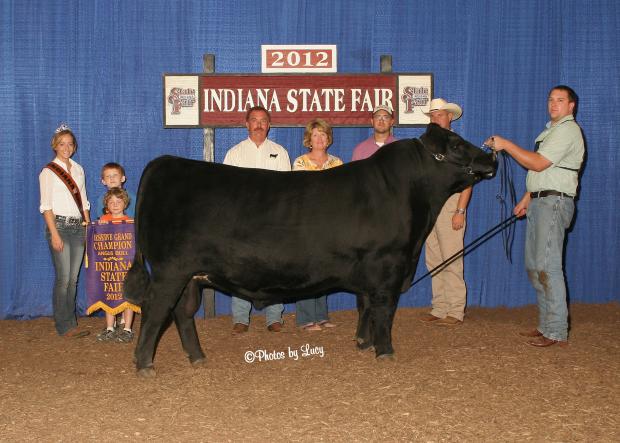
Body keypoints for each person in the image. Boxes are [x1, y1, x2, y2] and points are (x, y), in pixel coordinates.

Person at [485, 85, 584, 347]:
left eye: (560, 100)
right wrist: (527, 199)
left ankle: (556, 330)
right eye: (550, 99)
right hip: (541, 201)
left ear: (571, 106)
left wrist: (506, 144)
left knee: (547, 266)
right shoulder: (549, 132)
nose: (553, 104)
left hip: (554, 203)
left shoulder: (568, 130)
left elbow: (538, 163)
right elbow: (543, 172)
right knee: (534, 266)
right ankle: (546, 324)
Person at [223, 105, 291, 334]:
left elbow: (286, 190)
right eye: (254, 120)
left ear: (269, 125)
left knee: (275, 266)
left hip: (272, 220)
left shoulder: (280, 152)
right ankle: (241, 318)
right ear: (247, 124)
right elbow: (228, 191)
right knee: (241, 267)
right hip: (243, 220)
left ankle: (274, 316)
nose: (259, 124)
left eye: (263, 120)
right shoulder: (235, 153)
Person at [419, 98, 472, 326]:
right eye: (432, 116)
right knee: (433, 259)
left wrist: (460, 209)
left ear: (450, 117)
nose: (435, 119)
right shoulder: (426, 146)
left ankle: (456, 310)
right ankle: (440, 306)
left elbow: (468, 180)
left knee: (451, 258)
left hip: (451, 205)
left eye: (439, 115)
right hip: (430, 206)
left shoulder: (458, 145)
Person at [39, 123, 91, 338]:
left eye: (70, 144)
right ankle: (64, 326)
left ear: (74, 146)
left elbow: (84, 201)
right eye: (62, 144)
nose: (66, 147)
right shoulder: (48, 172)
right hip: (59, 225)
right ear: (55, 146)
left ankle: (71, 323)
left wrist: (87, 226)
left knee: (73, 279)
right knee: (63, 279)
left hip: (78, 226)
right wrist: (54, 234)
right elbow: (46, 206)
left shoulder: (78, 169)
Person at [292, 118, 343, 331]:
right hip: (306, 222)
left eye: (323, 134)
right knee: (306, 267)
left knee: (324, 267)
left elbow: (342, 194)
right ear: (308, 139)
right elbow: (298, 194)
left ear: (328, 139)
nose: (320, 138)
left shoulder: (337, 163)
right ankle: (305, 318)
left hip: (329, 222)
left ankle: (321, 315)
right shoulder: (300, 163)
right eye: (315, 135)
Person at [96, 187, 137, 342]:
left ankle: (127, 329)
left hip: (125, 267)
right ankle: (110, 328)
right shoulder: (103, 221)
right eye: (111, 202)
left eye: (118, 201)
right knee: (109, 296)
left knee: (127, 297)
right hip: (109, 267)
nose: (115, 204)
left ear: (125, 203)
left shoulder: (130, 223)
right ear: (106, 203)